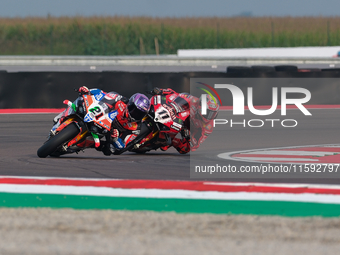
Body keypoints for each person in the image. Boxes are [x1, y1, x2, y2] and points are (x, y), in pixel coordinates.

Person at [77, 86, 151, 155]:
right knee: (87, 99)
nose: (136, 115)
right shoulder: (121, 100)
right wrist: (88, 91)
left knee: (110, 150)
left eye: (140, 114)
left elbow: (123, 145)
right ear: (130, 104)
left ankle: (86, 144)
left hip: (109, 133)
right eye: (135, 111)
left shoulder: (136, 128)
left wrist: (115, 139)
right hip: (101, 117)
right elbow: (102, 94)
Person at [151, 87, 219, 154]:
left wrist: (188, 136)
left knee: (185, 148)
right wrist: (161, 91)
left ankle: (169, 141)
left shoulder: (208, 127)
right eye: (208, 112)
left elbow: (195, 144)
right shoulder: (193, 100)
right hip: (177, 115)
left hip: (188, 128)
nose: (210, 116)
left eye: (213, 114)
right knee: (172, 98)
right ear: (201, 107)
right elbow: (175, 94)